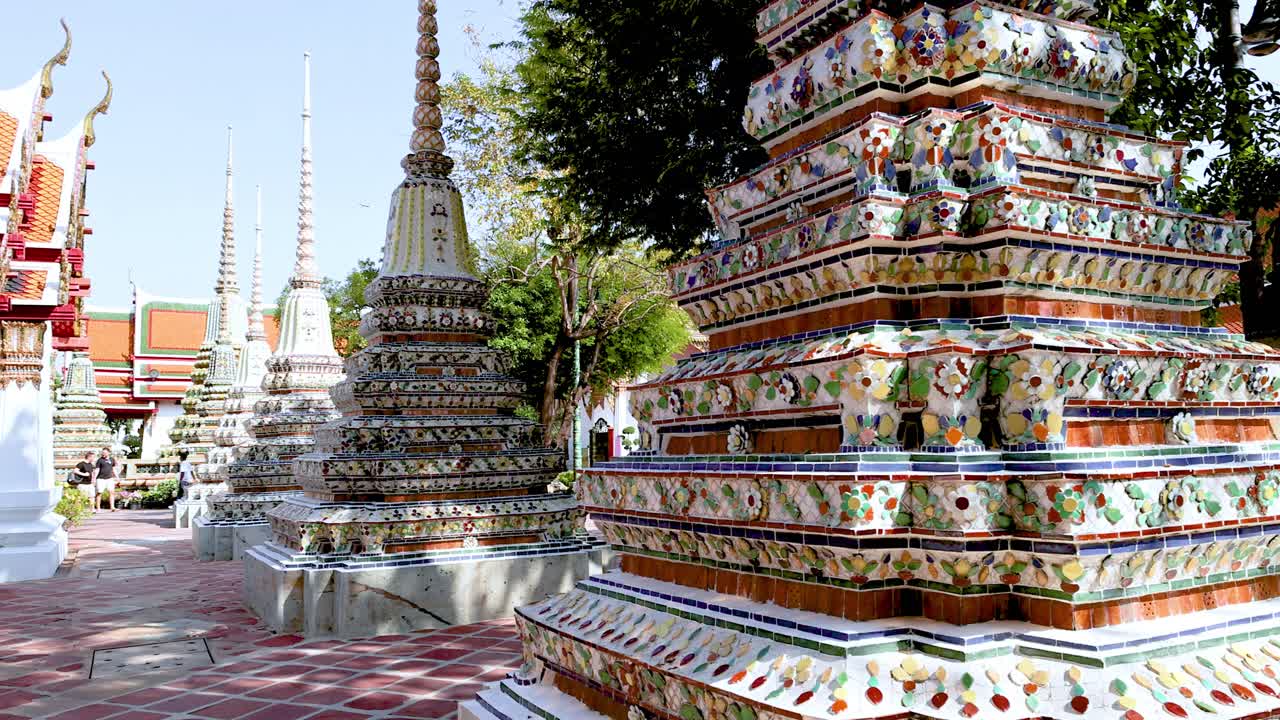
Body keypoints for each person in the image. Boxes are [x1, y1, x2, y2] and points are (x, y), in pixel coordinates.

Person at [94, 447, 118, 512]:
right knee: (99, 493)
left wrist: (117, 477)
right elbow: (97, 470)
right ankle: (98, 508)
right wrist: (94, 479)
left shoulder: (112, 459)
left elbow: (114, 469)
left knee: (112, 492)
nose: (103, 453)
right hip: (101, 479)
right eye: (103, 452)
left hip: (110, 478)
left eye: (105, 452)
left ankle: (112, 507)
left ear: (108, 453)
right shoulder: (100, 460)